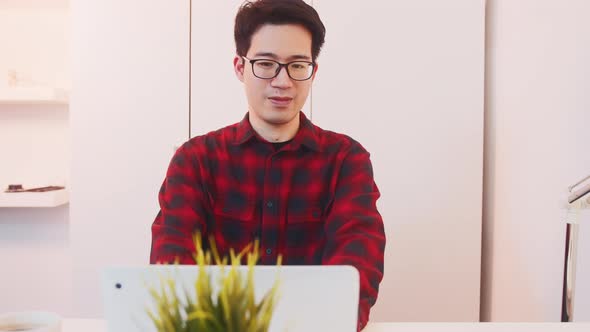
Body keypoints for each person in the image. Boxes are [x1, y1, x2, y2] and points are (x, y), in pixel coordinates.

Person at [150, 0, 385, 329]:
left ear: (312, 71)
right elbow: (172, 259)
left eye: (297, 65)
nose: (283, 81)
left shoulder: (346, 160)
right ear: (239, 67)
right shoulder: (196, 160)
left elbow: (358, 262)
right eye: (266, 64)